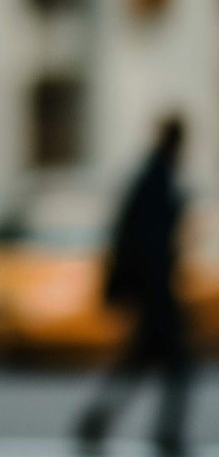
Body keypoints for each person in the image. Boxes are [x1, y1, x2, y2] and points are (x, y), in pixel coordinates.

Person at [73, 114, 196, 457]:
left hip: (154, 292)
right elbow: (146, 244)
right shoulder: (156, 178)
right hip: (156, 293)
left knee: (139, 364)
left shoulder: (156, 174)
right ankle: (166, 436)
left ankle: (96, 422)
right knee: (175, 366)